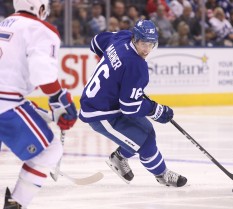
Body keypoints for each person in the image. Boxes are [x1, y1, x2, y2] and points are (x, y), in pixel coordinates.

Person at [79, 19, 187, 187]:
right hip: (100, 113)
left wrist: (116, 71)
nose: (146, 50)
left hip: (108, 103)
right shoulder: (137, 66)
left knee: (147, 131)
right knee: (145, 144)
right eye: (143, 43)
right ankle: (162, 174)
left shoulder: (122, 37)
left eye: (151, 44)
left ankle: (119, 158)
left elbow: (95, 43)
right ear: (135, 38)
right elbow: (129, 107)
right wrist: (155, 110)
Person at [0, 0, 78, 208]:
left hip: (7, 100)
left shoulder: (5, 23)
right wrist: (60, 100)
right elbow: (42, 74)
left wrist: (51, 113)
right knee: (50, 150)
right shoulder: (41, 29)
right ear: (41, 8)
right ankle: (17, 203)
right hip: (5, 104)